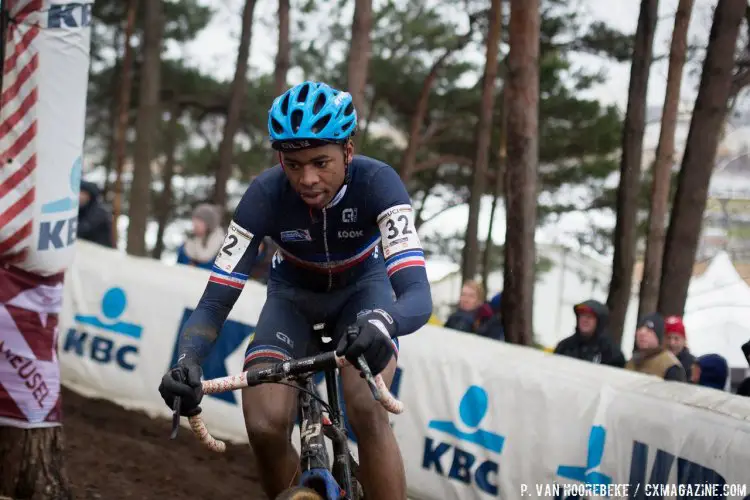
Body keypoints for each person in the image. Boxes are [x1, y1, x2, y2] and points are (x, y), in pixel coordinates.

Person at [158, 81, 432, 499]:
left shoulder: (379, 183)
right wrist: (186, 359)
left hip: (364, 294)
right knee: (265, 425)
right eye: (293, 164)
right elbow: (215, 299)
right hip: (291, 301)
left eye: (321, 162)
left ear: (348, 151)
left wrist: (384, 320)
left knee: (364, 406)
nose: (307, 178)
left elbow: (416, 292)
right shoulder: (264, 195)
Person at [553, 300, 625, 367]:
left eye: (590, 317)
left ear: (600, 322)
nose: (585, 320)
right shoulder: (565, 347)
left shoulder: (611, 352)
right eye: (582, 316)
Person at [626, 313, 686, 381]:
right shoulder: (632, 361)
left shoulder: (671, 367)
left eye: (649, 331)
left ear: (659, 337)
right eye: (639, 330)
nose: (642, 334)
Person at [176, 203, 225, 271]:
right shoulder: (185, 246)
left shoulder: (222, 251)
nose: (195, 224)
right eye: (195, 219)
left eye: (200, 221)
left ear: (209, 224)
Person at [77, 180, 114, 247]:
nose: (80, 196)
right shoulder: (77, 210)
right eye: (79, 192)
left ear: (90, 196)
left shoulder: (99, 215)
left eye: (84, 193)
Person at [664, 315, 695, 380]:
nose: (671, 343)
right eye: (668, 338)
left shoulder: (692, 364)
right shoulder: (658, 360)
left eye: (676, 338)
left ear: (684, 340)